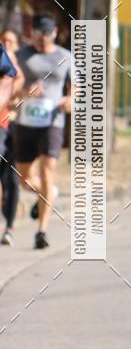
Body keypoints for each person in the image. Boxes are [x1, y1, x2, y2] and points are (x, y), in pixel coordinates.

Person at [12, 13, 71, 249]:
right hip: (25, 123)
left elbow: (76, 88)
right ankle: (49, 193)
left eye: (46, 34)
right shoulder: (20, 56)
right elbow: (11, 90)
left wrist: (70, 100)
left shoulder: (65, 57)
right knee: (24, 179)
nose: (42, 38)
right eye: (38, 34)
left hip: (52, 122)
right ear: (32, 33)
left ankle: (42, 231)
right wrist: (25, 91)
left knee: (48, 172)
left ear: (54, 32)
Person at [0, 30, 21, 246]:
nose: (6, 43)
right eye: (3, 39)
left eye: (10, 40)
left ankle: (10, 225)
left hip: (12, 127)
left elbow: (23, 85)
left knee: (13, 179)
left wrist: (14, 101)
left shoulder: (18, 64)